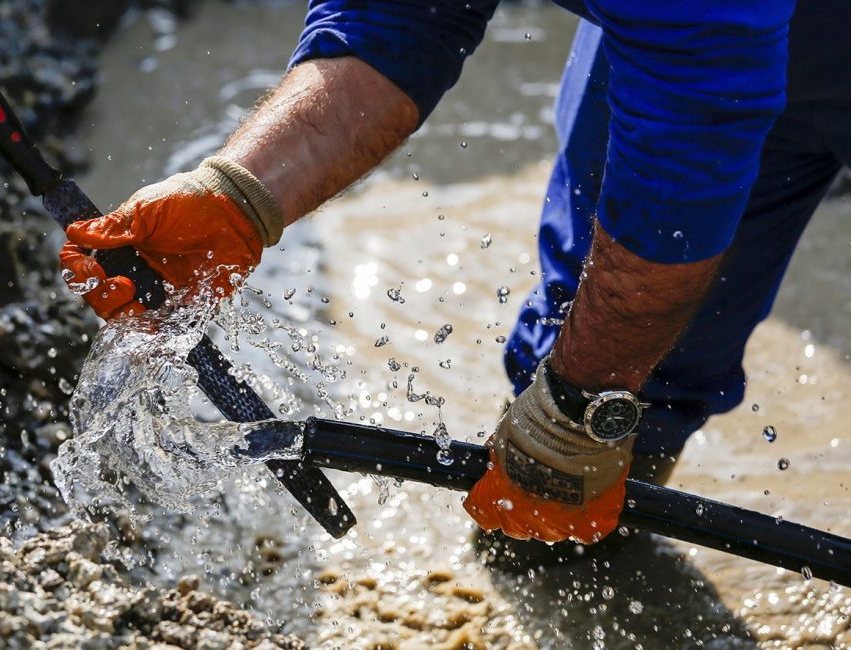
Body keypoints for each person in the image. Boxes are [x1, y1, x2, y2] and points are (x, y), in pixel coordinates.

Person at [59, 0, 851, 556]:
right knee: (616, 379)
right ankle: (580, 520)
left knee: (590, 389)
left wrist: (579, 408)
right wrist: (239, 196)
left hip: (711, 30)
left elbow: (682, 170)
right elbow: (399, 18)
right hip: (706, 34)